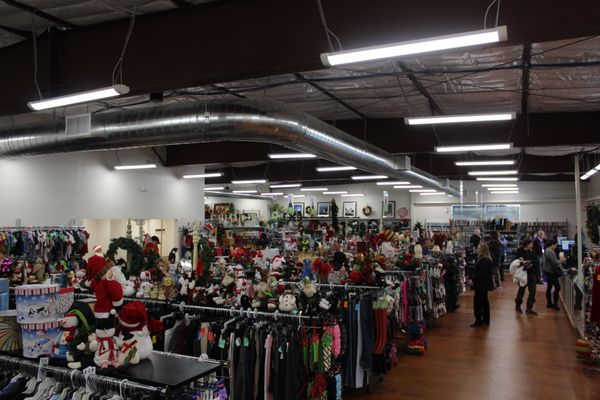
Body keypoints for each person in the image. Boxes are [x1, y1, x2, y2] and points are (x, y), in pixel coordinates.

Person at [471, 243, 494, 327]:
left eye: (478, 248)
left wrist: (473, 280)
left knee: (478, 303)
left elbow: (482, 274)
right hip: (482, 284)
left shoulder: (484, 260)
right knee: (483, 302)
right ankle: (484, 320)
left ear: (482, 250)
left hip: (481, 285)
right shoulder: (485, 259)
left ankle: (479, 320)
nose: (477, 249)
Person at [514, 239, 538, 315]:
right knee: (521, 290)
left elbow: (536, 261)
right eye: (531, 244)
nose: (532, 245)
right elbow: (517, 262)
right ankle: (518, 306)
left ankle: (529, 308)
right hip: (523, 274)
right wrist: (523, 263)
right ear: (527, 244)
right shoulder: (519, 251)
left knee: (533, 291)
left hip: (531, 274)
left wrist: (532, 265)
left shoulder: (532, 252)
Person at [544, 239, 564, 310]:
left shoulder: (548, 250)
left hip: (548, 271)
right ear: (553, 244)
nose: (556, 246)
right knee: (557, 287)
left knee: (549, 287)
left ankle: (549, 303)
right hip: (551, 272)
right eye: (556, 245)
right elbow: (555, 263)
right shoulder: (550, 251)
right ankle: (555, 304)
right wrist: (561, 261)